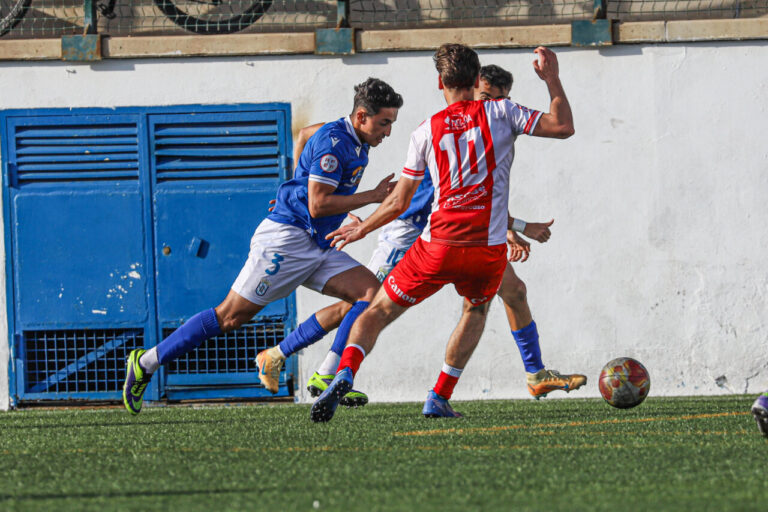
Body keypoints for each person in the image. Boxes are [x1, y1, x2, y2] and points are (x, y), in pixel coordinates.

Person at [262, 63, 583, 409]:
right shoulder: (444, 130)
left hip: (455, 238)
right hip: (409, 230)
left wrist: (511, 229)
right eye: (487, 97)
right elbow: (311, 136)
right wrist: (299, 190)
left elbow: (479, 201)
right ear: (472, 90)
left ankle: (535, 373)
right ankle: (293, 359)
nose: (492, 105)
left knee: (514, 291)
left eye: (500, 99)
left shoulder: (487, 129)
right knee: (364, 302)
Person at [121, 78, 403, 415]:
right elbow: (317, 205)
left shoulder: (352, 137)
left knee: (371, 294)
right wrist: (371, 196)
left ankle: (329, 374)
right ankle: (146, 362)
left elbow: (303, 135)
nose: (388, 132)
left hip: (317, 242)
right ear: (361, 116)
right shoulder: (335, 142)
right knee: (229, 317)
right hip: (287, 240)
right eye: (384, 123)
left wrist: (294, 188)